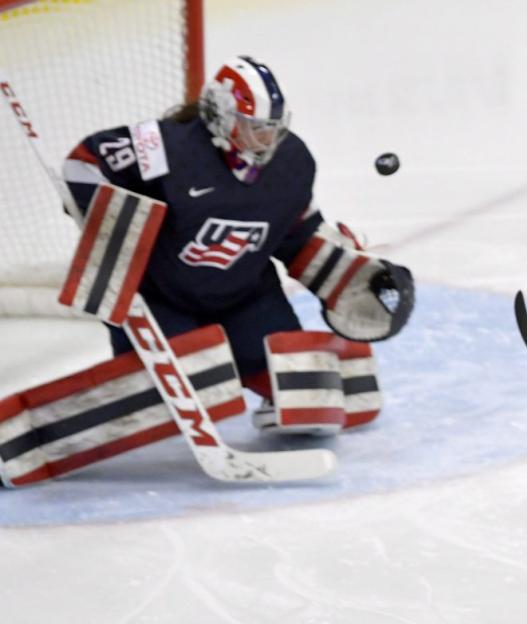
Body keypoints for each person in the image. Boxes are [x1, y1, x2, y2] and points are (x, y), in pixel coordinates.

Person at [60, 55, 414, 434]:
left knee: (309, 387)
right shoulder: (163, 146)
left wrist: (347, 271)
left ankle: (262, 392)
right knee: (197, 384)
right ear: (220, 116)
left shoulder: (292, 162)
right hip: (161, 299)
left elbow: (297, 232)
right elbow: (82, 163)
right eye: (254, 128)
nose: (266, 140)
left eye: (272, 129)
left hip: (246, 299)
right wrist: (110, 220)